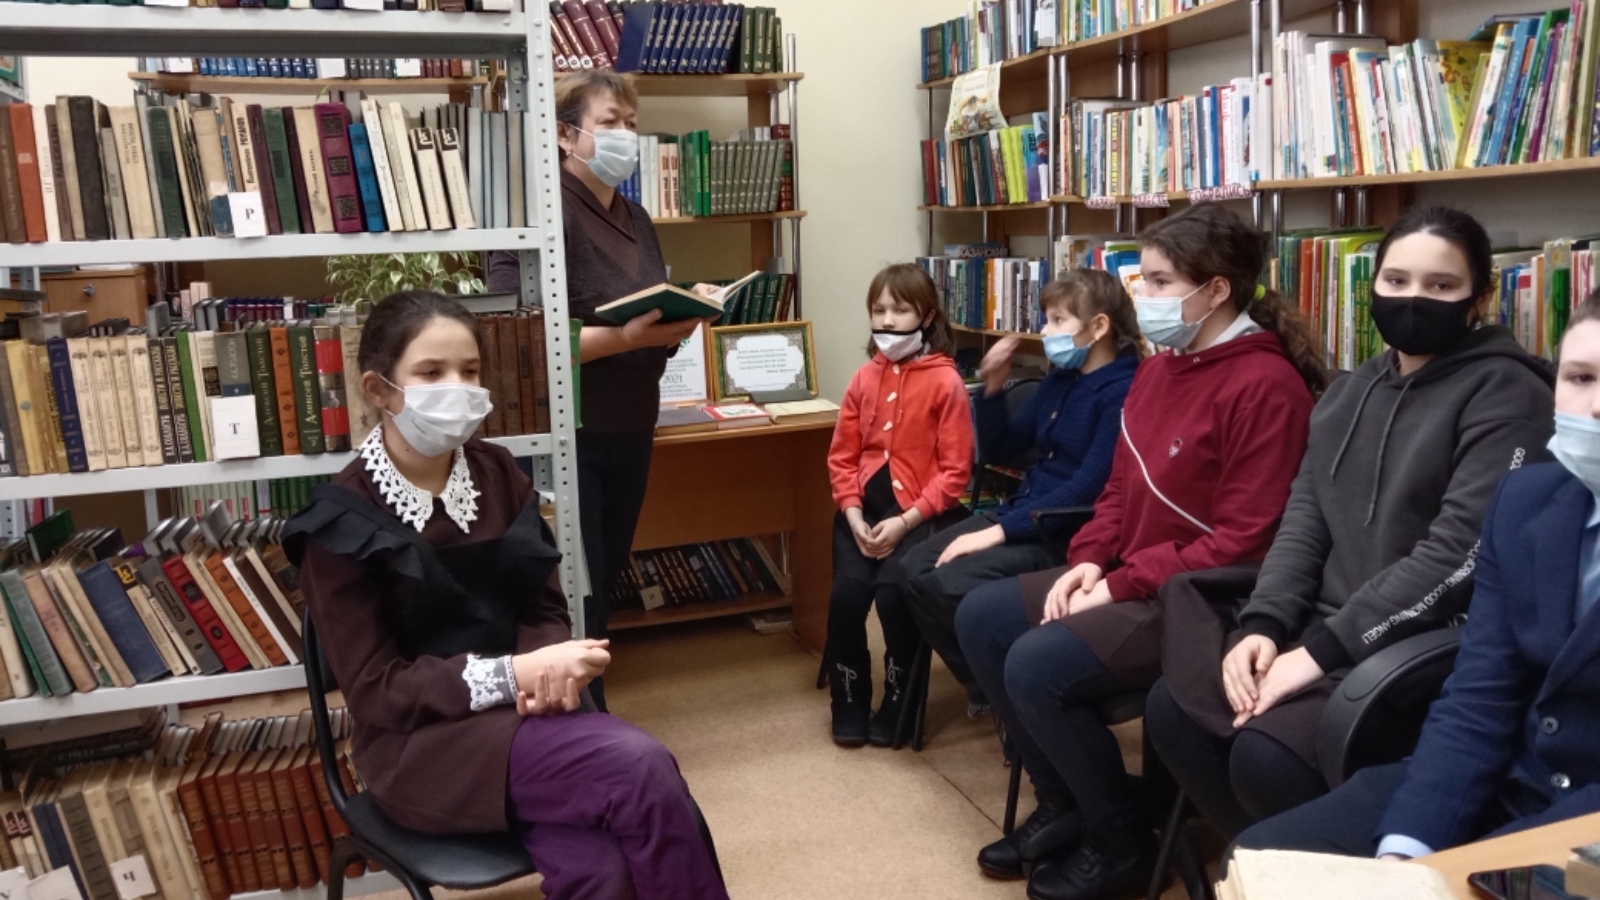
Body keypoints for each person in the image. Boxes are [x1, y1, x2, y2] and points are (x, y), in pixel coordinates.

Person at [283, 292, 727, 900]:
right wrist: (515, 674)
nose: (457, 387)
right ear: (379, 389)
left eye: (469, 371)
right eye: (431, 373)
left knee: (607, 869)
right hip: (421, 747)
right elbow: (377, 691)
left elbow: (541, 605)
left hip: (531, 717)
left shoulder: (499, 474)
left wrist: (545, 673)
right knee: (637, 766)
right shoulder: (340, 522)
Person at [1144, 206, 1556, 840]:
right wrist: (1264, 625)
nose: (1413, 298)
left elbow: (1458, 554)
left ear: (1480, 298)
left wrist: (1317, 654)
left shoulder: (1508, 394)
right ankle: (1261, 863)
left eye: (1441, 285)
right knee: (1173, 708)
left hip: (1413, 650)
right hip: (1317, 631)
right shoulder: (1351, 390)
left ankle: (1300, 859)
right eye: (1396, 280)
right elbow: (1305, 518)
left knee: (1267, 754)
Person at [954, 204, 1322, 900]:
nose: (1142, 298)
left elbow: (1245, 540)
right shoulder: (1159, 370)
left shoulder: (1266, 386)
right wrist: (1090, 559)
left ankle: (1119, 841)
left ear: (1216, 290)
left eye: (1158, 282)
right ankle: (1068, 802)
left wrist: (1120, 584)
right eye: (1142, 280)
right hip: (1140, 576)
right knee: (982, 617)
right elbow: (1121, 487)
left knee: (1035, 663)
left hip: (1207, 598)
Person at [1232, 288, 1600, 862]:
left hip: (1579, 825)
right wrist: (1406, 848)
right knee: (1260, 859)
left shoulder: (1494, 396)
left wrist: (1468, 869)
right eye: (1580, 378)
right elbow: (1480, 696)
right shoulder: (1527, 501)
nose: (1595, 406)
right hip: (1513, 778)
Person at [487, 70, 719, 711]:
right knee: (571, 588)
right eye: (610, 122)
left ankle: (587, 710)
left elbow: (647, 326)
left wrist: (682, 317)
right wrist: (624, 338)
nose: (625, 136)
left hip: (632, 423)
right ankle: (583, 719)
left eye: (632, 124)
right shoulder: (538, 212)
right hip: (570, 431)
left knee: (605, 573)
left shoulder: (637, 217)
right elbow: (514, 339)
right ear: (567, 135)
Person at [901, 268, 1140, 714]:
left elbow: (1086, 489)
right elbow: (1002, 449)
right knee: (913, 568)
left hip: (1064, 531)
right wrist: (992, 388)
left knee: (948, 581)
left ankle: (1003, 690)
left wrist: (997, 532)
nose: (1045, 332)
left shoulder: (1123, 391)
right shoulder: (1061, 379)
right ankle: (990, 689)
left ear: (1099, 327)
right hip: (1024, 513)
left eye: (1058, 320)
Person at [824, 264, 974, 747]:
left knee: (894, 598)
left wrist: (904, 522)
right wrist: (852, 514)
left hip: (918, 516)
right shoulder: (863, 377)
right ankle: (849, 693)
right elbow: (841, 458)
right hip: (861, 512)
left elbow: (955, 474)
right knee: (846, 598)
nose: (887, 320)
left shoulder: (946, 382)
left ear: (926, 316)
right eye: (879, 310)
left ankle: (899, 696)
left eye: (900, 310)